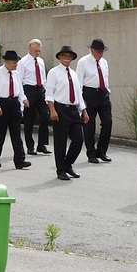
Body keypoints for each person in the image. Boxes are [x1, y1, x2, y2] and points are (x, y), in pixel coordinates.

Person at [45, 46, 87, 181]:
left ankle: (68, 164)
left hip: (73, 109)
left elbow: (78, 94)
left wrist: (84, 110)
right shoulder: (54, 72)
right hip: (60, 108)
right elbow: (49, 93)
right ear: (60, 57)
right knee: (61, 141)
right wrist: (52, 110)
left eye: (69, 56)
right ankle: (61, 169)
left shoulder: (73, 74)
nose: (67, 59)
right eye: (64, 56)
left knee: (78, 139)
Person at [0, 50, 33, 169]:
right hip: (2, 103)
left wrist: (23, 102)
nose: (15, 64)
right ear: (7, 61)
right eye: (14, 62)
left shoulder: (16, 74)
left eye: (16, 62)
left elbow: (20, 91)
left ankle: (20, 160)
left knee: (16, 134)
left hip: (14, 104)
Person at [78, 39, 113, 163]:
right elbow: (79, 82)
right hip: (89, 93)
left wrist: (107, 91)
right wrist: (81, 101)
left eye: (102, 51)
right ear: (92, 50)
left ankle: (102, 151)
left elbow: (105, 78)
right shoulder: (83, 62)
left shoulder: (104, 62)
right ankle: (91, 153)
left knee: (108, 122)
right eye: (98, 51)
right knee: (89, 125)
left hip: (103, 94)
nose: (100, 54)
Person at [20, 39, 50, 155]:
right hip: (29, 89)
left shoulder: (41, 61)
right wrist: (23, 97)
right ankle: (30, 145)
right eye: (35, 51)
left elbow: (43, 77)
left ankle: (41, 144)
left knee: (44, 117)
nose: (37, 53)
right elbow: (19, 80)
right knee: (29, 119)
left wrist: (46, 92)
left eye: (39, 51)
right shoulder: (23, 62)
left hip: (40, 89)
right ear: (29, 49)